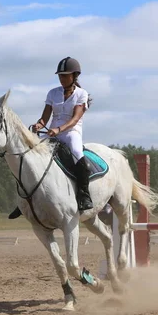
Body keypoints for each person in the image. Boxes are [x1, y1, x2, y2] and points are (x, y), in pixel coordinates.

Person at [9, 56, 94, 219]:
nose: (62, 79)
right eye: (60, 76)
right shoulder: (52, 93)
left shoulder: (81, 94)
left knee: (77, 152)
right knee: (29, 156)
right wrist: (39, 125)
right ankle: (23, 201)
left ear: (75, 76)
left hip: (72, 132)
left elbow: (75, 119)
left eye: (65, 75)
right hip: (52, 131)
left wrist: (59, 129)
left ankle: (84, 195)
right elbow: (45, 117)